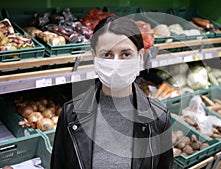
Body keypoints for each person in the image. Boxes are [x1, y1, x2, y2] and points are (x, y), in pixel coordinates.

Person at [50, 15, 173, 169]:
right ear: (94, 57)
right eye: (107, 54)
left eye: (126, 54)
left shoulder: (159, 119)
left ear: (140, 57)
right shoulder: (71, 114)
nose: (116, 63)